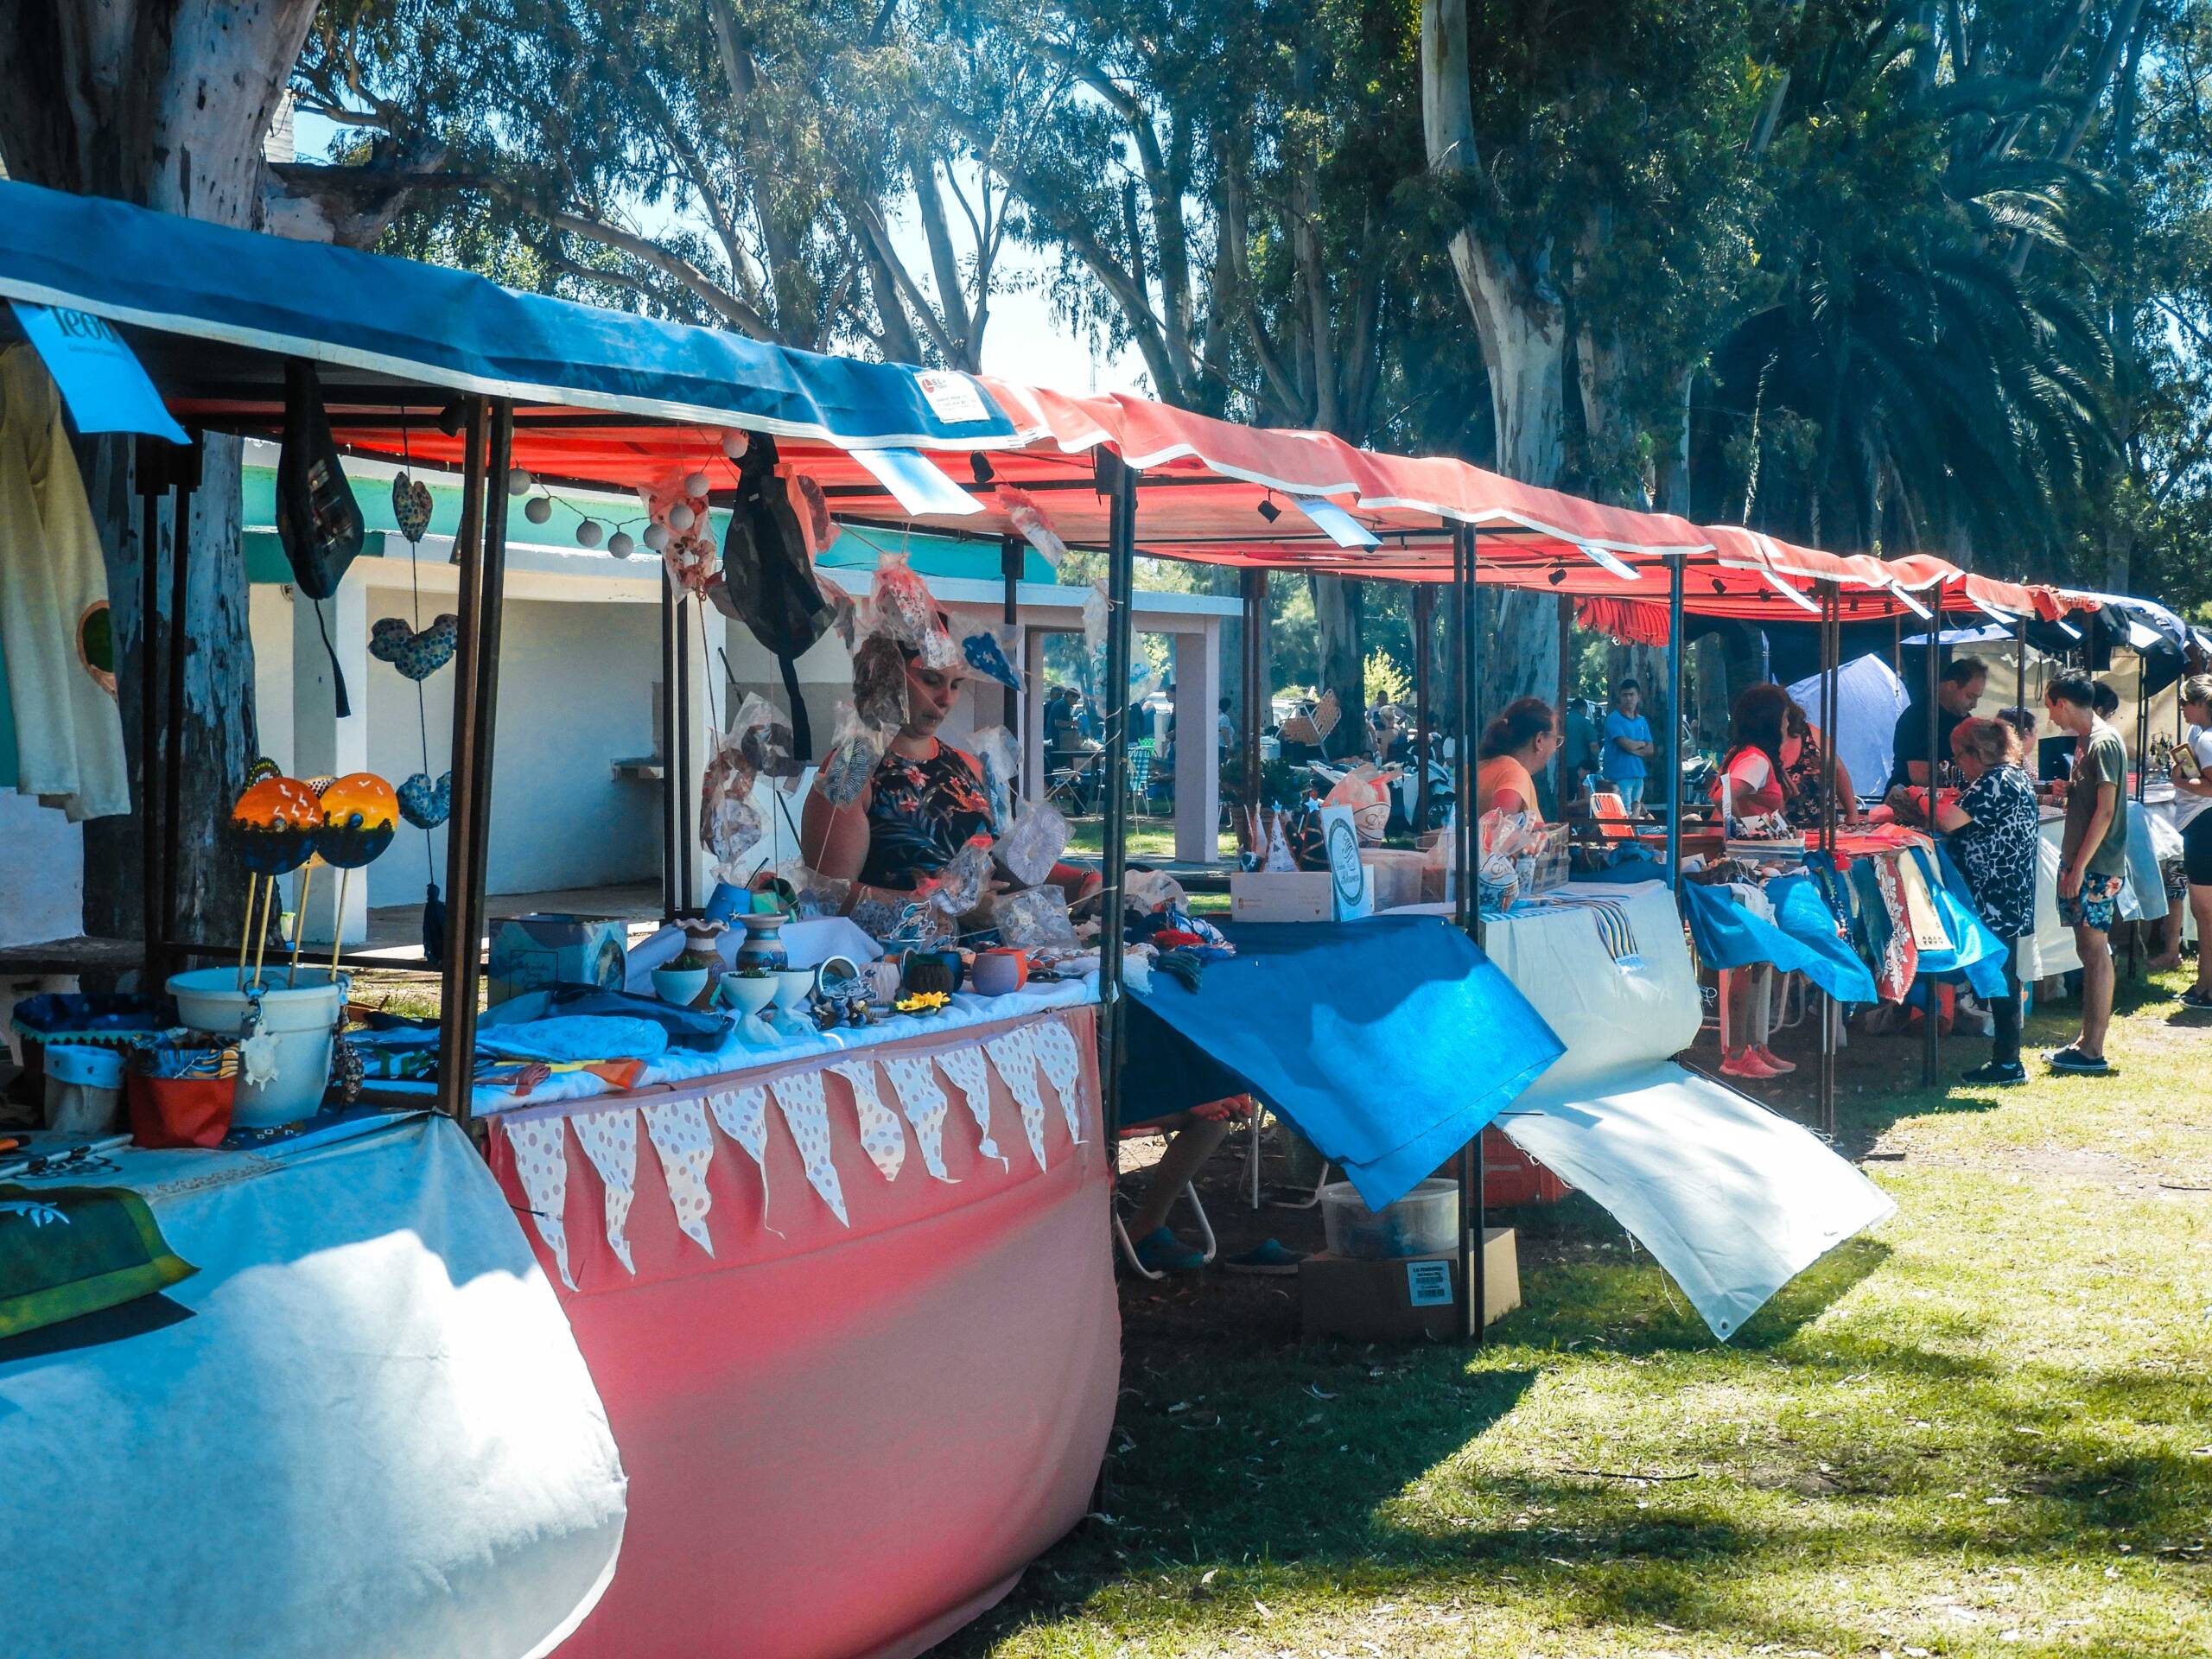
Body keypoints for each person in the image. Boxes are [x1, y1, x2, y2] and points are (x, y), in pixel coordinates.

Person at [1933, 717, 2041, 1085]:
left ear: (1976, 752)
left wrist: (1917, 799)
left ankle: (2008, 1062)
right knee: (2004, 976)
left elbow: (1948, 822)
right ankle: (2007, 1058)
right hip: (2010, 892)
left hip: (1995, 895)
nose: (1957, 764)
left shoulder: (1993, 782)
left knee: (2001, 979)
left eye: (1957, 756)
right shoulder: (2015, 776)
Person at [2044, 671, 2129, 1075]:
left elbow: (2107, 810)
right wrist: (2069, 791)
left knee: (2095, 951)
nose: (2050, 716)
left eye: (2050, 706)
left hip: (2095, 866)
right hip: (2083, 861)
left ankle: (2093, 1049)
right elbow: (2093, 800)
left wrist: (2078, 868)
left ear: (2062, 702)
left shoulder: (2103, 741)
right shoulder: (2086, 741)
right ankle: (2085, 1042)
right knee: (2088, 949)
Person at [1711, 684, 1796, 1079]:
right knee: (1747, 961)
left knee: (1758, 960)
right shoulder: (1756, 760)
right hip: (1750, 870)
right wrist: (1752, 811)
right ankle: (1737, 1052)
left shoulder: (1745, 754)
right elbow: (1725, 795)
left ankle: (1755, 1045)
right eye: (1784, 718)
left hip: (1756, 867)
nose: (1787, 725)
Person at [2170, 676, 2212, 1010]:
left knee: (2205, 913)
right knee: (2204, 913)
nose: (2181, 708)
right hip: (2200, 824)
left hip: (2203, 825)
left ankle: (2206, 986)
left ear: (2199, 704)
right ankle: (2204, 982)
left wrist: (2180, 781)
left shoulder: (2207, 738)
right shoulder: (2199, 733)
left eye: (2185, 702)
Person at [1888, 657, 1989, 790]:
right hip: (1910, 797)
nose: (1974, 705)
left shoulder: (1965, 721)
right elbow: (1919, 775)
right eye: (1970, 696)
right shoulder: (1918, 718)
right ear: (1951, 686)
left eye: (1977, 698)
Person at [1780, 699, 1860, 826]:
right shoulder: (1755, 747)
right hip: (1774, 830)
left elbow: (1838, 771)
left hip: (1821, 825)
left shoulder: (1810, 734)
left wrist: (1852, 814)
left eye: (1784, 716)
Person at [1475, 697, 1559, 820]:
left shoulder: (1482, 768)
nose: (1555, 749)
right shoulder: (1515, 774)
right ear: (1539, 740)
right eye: (1556, 739)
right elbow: (1499, 825)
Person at [1599, 680, 1656, 815]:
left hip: (1638, 775)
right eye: (1625, 695)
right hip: (1619, 776)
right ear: (1620, 696)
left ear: (1638, 697)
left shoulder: (1642, 721)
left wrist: (1634, 748)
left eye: (1631, 694)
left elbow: (1651, 749)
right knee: (1624, 814)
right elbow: (1626, 744)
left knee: (1637, 812)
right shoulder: (1614, 719)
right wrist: (1642, 743)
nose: (1628, 699)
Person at [1562, 696, 1601, 804]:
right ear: (1584, 709)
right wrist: (1595, 763)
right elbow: (1594, 746)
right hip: (1581, 767)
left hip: (1562, 766)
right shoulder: (1585, 723)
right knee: (1581, 795)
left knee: (1565, 796)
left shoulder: (1563, 721)